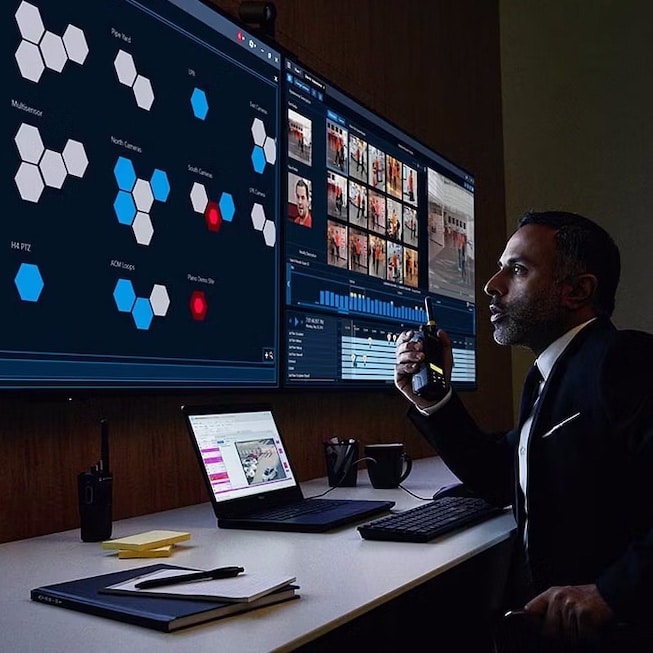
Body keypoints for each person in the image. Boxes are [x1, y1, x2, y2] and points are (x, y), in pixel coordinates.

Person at [395, 210, 653, 651]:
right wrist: (433, 401)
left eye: (516, 270)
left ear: (577, 290)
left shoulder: (623, 360)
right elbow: (500, 475)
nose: (492, 285)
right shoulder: (550, 378)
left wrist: (611, 594)